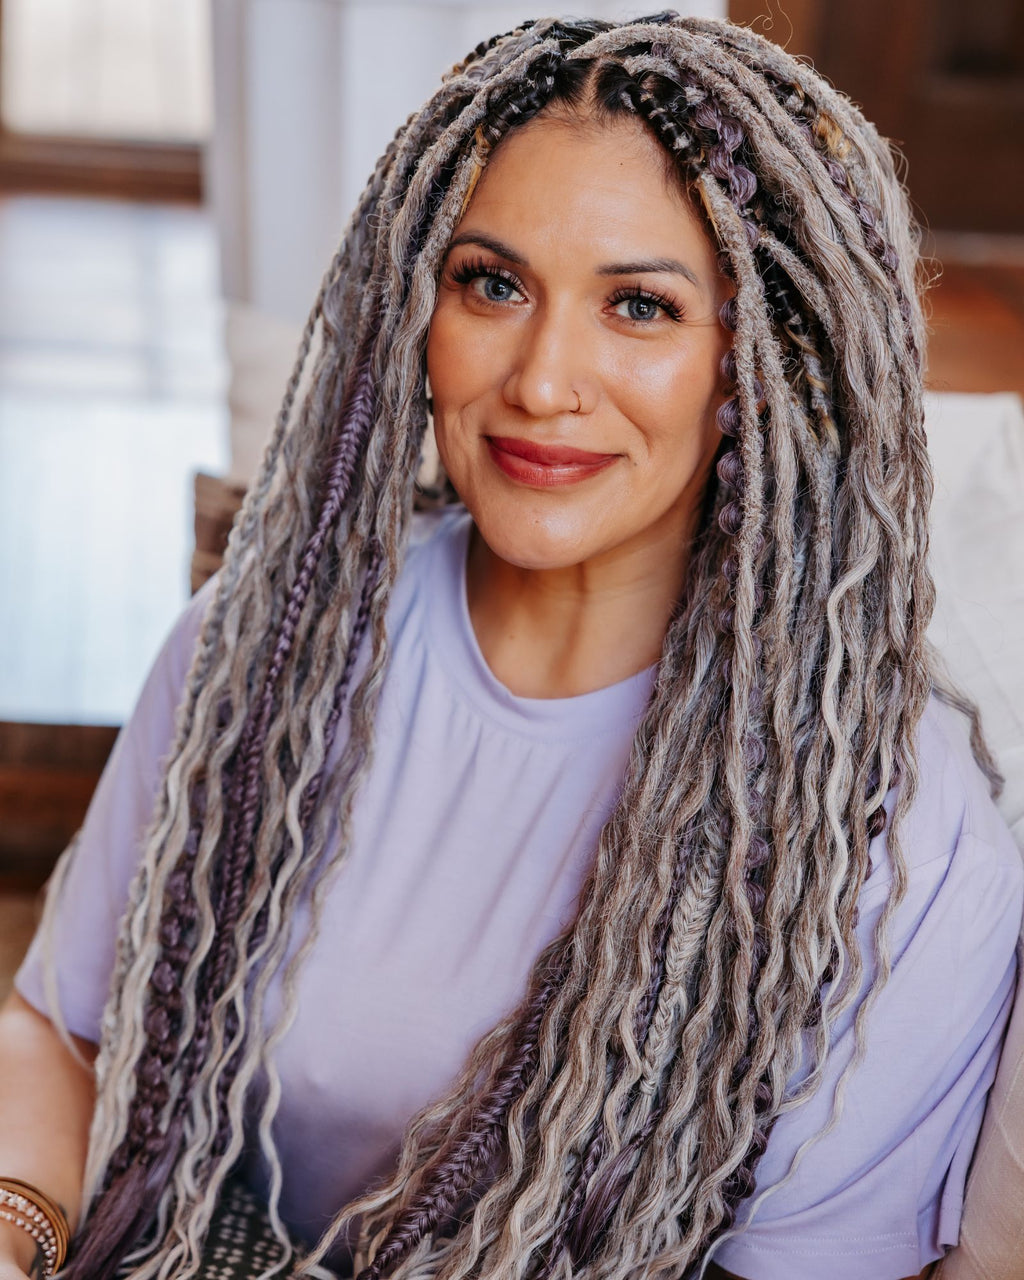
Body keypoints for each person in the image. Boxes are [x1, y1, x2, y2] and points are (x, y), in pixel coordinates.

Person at [0, 13, 1020, 1280]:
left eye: (638, 305)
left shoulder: (889, 838)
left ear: (761, 367)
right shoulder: (254, 653)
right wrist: (18, 1227)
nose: (542, 379)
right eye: (492, 283)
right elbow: (59, 1026)